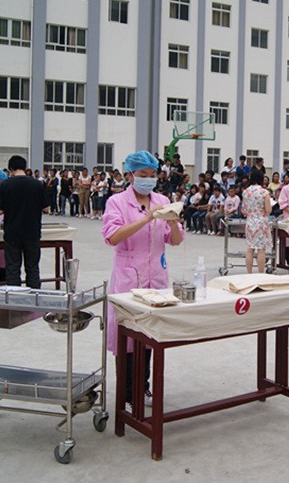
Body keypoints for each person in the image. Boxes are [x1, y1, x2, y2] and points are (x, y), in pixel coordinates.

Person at [102, 151, 184, 407]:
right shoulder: (117, 202)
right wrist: (147, 217)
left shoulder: (162, 200)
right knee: (127, 337)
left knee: (149, 335)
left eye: (152, 175)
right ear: (130, 175)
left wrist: (172, 221)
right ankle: (127, 394)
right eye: (142, 175)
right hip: (128, 278)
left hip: (155, 277)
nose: (148, 179)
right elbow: (112, 236)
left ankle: (144, 387)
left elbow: (176, 240)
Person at [0, 155, 49, 288]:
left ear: (10, 168)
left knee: (12, 268)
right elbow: (46, 209)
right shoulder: (37, 184)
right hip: (32, 232)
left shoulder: (5, 185)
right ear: (25, 167)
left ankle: (14, 297)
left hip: (12, 232)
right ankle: (34, 297)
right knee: (32, 268)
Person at [242, 169, 272, 273]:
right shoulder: (264, 192)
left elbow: (244, 210)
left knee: (250, 248)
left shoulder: (245, 192)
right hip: (261, 222)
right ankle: (260, 274)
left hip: (250, 222)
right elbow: (268, 210)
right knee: (261, 249)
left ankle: (249, 273)